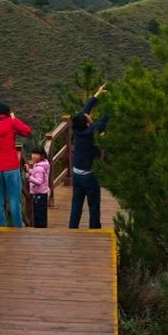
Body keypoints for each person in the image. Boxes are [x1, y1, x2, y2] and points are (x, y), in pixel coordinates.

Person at [69, 83, 109, 229]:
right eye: (88, 117)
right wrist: (112, 100)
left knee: (76, 205)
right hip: (89, 175)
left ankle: (72, 228)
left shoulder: (77, 130)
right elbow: (106, 117)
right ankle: (94, 229)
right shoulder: (92, 131)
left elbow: (85, 111)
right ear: (87, 123)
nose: (89, 115)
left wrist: (97, 94)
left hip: (76, 174)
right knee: (93, 205)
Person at [0, 102, 31, 227]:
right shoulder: (11, 123)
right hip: (11, 167)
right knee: (14, 202)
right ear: (8, 113)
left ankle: (1, 227)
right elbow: (26, 131)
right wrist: (14, 119)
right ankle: (18, 228)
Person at [26, 146, 50, 228]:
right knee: (41, 213)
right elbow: (36, 173)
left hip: (39, 194)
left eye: (36, 154)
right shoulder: (41, 165)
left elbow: (39, 181)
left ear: (42, 156)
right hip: (43, 194)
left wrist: (29, 178)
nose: (33, 156)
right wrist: (29, 170)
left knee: (38, 215)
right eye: (33, 153)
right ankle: (42, 229)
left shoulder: (39, 168)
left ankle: (40, 230)